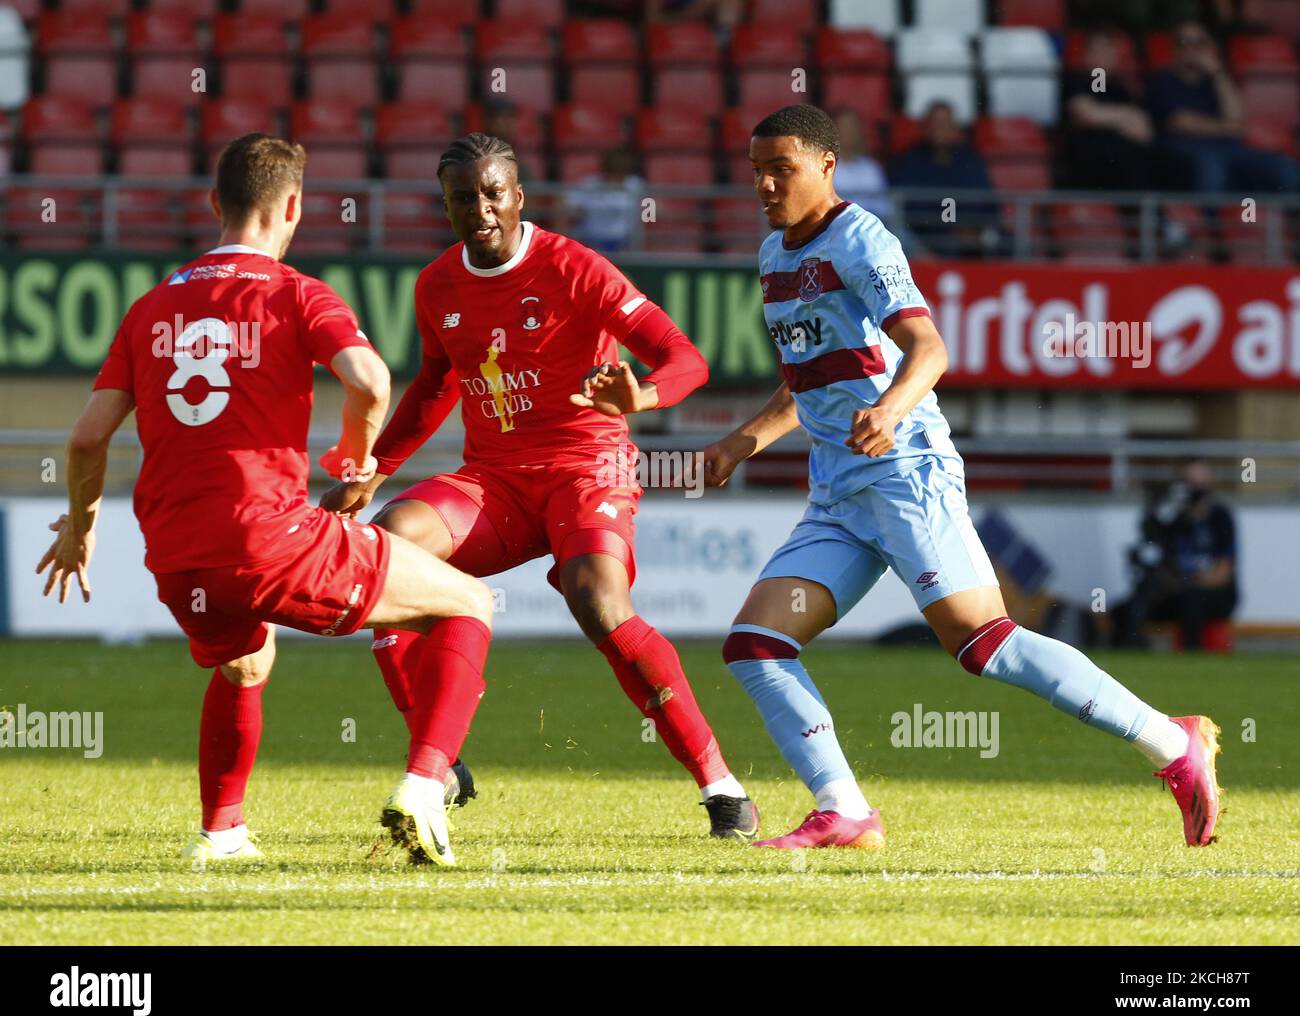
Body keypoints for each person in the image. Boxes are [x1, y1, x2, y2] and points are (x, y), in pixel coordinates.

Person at [702, 104, 1224, 850]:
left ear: (826, 165)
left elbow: (929, 349)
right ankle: (844, 810)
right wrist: (739, 443)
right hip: (841, 493)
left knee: (983, 643)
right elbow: (810, 384)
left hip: (906, 472)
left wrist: (888, 411)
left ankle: (1172, 744)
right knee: (755, 644)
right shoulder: (773, 255)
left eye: (780, 167)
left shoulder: (860, 238)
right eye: (755, 168)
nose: (763, 183)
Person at [36, 134, 493, 869]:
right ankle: (425, 784)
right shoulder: (297, 293)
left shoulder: (151, 306)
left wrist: (80, 530)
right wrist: (355, 460)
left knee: (245, 663)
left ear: (215, 204)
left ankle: (220, 835)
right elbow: (371, 381)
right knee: (469, 602)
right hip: (270, 536)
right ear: (293, 207)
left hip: (179, 554)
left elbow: (88, 441)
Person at [320, 133, 760, 840]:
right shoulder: (436, 284)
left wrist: (639, 397)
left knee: (598, 601)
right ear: (447, 205)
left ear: (518, 196)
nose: (481, 209)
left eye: (494, 193)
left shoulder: (575, 268)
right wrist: (375, 468)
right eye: (464, 198)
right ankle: (440, 766)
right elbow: (436, 384)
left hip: (586, 467)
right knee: (391, 550)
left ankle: (722, 787)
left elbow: (687, 358)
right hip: (493, 480)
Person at [1146, 20, 1299, 195]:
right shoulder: (1162, 81)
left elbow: (1238, 118)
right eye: (1183, 42)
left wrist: (1218, 74)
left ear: (1211, 47)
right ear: (1174, 49)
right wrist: (1229, 127)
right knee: (1211, 165)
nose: (1191, 49)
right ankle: (1209, 222)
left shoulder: (1218, 81)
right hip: (1184, 151)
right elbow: (1181, 123)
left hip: (1229, 150)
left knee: (1284, 166)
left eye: (1199, 42)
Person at [1115, 461, 1238, 651]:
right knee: (1128, 608)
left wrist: (1192, 581)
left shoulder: (1220, 517)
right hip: (1175, 590)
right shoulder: (1173, 518)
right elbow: (1151, 541)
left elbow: (1224, 572)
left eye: (1198, 483)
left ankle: (1192, 653)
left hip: (1210, 593)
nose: (1193, 490)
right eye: (1187, 482)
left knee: (1191, 600)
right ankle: (1133, 651)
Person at [889, 101, 998, 257]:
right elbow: (908, 205)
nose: (939, 129)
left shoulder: (970, 160)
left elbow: (986, 199)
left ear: (955, 128)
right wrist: (950, 224)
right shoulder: (908, 161)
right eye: (935, 123)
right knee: (947, 244)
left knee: (1007, 242)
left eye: (945, 123)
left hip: (972, 231)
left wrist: (971, 225)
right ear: (924, 127)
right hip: (926, 234)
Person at [1064, 31, 1155, 190]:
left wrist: (1106, 116)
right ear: (1086, 55)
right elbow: (1086, 115)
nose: (1104, 56)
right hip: (1088, 158)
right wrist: (1125, 115)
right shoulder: (1076, 79)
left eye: (1108, 50)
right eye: (1098, 50)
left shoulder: (1120, 89)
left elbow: (1143, 132)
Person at [830, 108, 892, 222]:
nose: (848, 132)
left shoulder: (871, 168)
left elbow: (884, 208)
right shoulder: (823, 168)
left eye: (852, 127)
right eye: (843, 127)